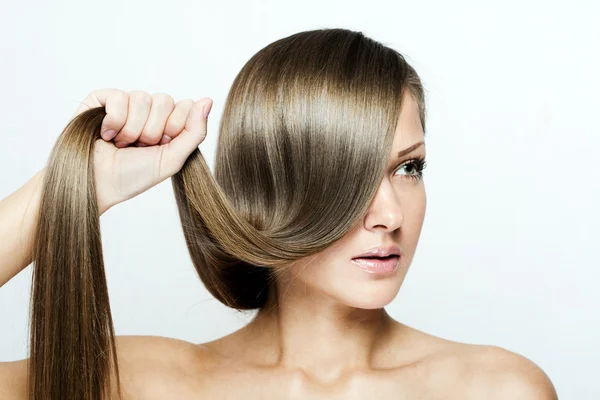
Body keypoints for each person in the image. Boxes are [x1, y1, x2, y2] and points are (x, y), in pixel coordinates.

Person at [0, 28, 557, 399]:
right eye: (349, 175)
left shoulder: (497, 388)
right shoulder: (141, 384)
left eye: (407, 169)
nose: (389, 214)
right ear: (266, 186)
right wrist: (73, 188)